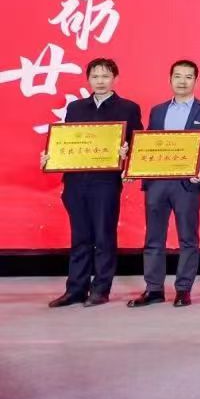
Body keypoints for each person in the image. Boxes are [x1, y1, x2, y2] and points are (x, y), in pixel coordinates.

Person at [44, 58, 143, 308]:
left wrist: (127, 153)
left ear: (115, 79)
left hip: (105, 182)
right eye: (95, 76)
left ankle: (100, 289)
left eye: (105, 76)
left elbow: (138, 143)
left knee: (103, 236)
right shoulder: (76, 108)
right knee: (80, 237)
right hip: (76, 182)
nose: (100, 81)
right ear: (88, 79)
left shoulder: (128, 108)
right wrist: (50, 157)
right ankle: (75, 289)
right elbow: (68, 142)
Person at [128, 60, 200, 309]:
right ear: (170, 79)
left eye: (188, 77)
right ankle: (154, 289)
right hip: (157, 182)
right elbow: (149, 144)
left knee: (188, 238)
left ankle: (183, 289)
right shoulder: (157, 111)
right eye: (178, 76)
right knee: (153, 238)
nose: (182, 81)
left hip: (187, 185)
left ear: (196, 81)